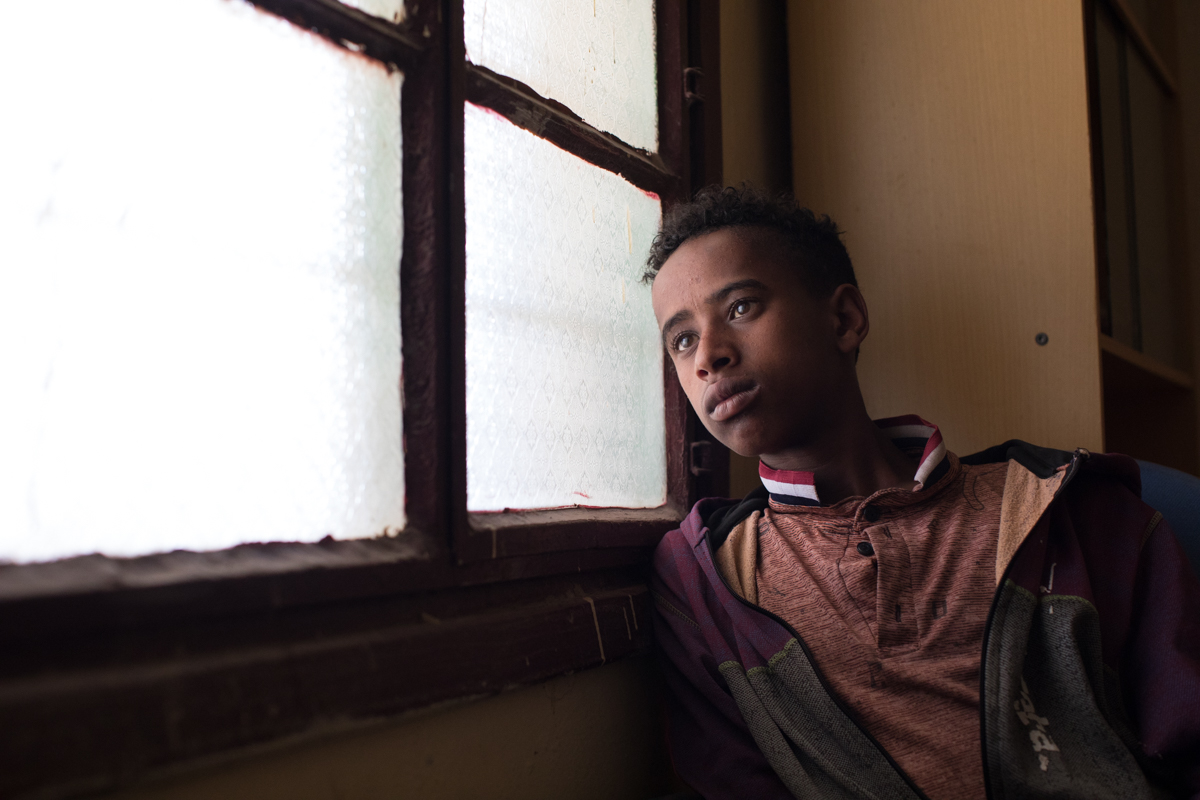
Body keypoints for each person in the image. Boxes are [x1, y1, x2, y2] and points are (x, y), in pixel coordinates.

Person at [646, 185, 1200, 799]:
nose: (709, 357)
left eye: (742, 308)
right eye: (682, 340)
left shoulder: (1072, 510)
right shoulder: (707, 580)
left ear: (844, 320)